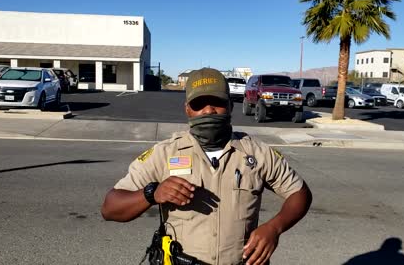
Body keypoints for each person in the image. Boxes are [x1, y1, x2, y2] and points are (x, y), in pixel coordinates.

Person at [101, 68, 313, 265]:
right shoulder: (165, 153)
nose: (208, 110)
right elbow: (110, 207)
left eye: (216, 102)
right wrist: (152, 193)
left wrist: (274, 228)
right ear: (187, 109)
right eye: (199, 104)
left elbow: (300, 193)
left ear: (230, 105)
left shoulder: (257, 152)